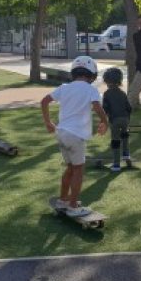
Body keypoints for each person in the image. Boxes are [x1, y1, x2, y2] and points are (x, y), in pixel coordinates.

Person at [41, 56, 109, 217]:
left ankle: (63, 200)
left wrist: (48, 123)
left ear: (74, 72)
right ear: (92, 75)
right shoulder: (91, 90)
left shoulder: (64, 87)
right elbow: (98, 108)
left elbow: (44, 101)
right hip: (76, 136)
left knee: (71, 168)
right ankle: (73, 205)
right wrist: (104, 121)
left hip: (61, 133)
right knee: (79, 169)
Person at [102, 67, 132, 172]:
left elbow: (105, 109)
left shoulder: (106, 94)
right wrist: (128, 119)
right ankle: (126, 154)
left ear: (106, 81)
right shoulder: (123, 93)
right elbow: (129, 108)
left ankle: (116, 164)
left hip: (114, 121)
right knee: (125, 135)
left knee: (115, 141)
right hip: (125, 119)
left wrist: (104, 121)